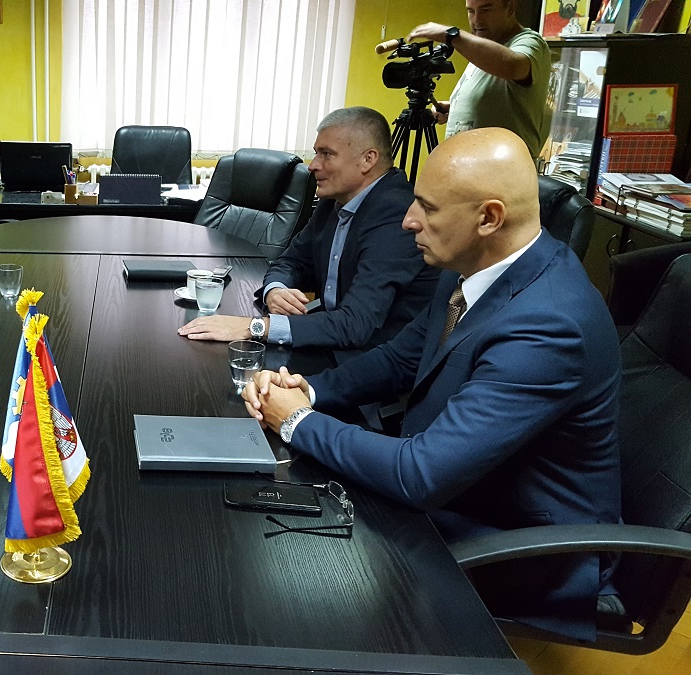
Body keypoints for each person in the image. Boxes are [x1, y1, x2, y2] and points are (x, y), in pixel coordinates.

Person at [241, 128, 621, 641]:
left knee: (292, 575)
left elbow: (422, 474)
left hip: (523, 545)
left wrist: (294, 420)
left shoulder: (549, 326)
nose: (408, 220)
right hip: (457, 486)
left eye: (428, 207)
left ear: (488, 218)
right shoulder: (473, 264)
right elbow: (400, 358)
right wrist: (307, 389)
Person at [179, 107, 438, 351]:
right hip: (333, 339)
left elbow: (355, 324)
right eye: (316, 153)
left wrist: (254, 327)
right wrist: (276, 290)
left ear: (367, 159)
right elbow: (291, 261)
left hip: (374, 358)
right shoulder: (333, 203)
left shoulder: (396, 214)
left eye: (326, 154)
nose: (313, 165)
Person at [407, 0, 550, 159]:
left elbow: (513, 66)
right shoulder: (484, 47)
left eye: (486, 9)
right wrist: (455, 108)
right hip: (468, 167)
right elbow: (498, 98)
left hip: (500, 170)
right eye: (471, 11)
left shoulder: (529, 42)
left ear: (510, 7)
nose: (476, 19)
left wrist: (452, 35)